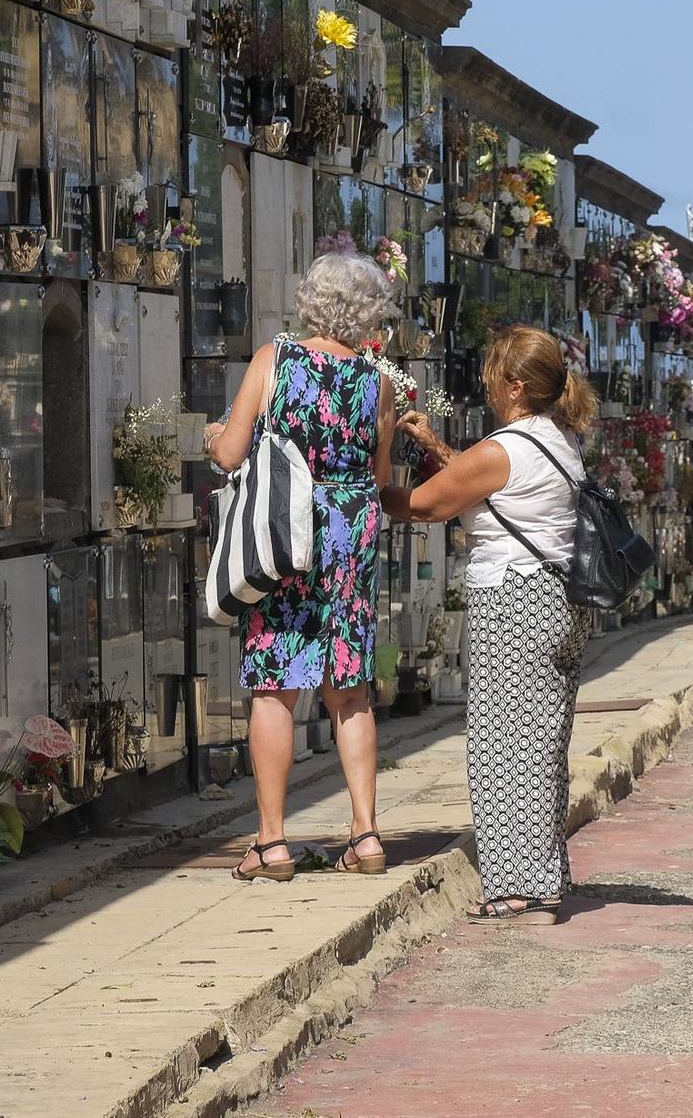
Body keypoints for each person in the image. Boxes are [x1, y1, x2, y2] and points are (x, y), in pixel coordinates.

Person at [386, 327, 597, 924]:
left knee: (503, 744)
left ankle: (514, 889)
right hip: (560, 600)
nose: (482, 378)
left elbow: (425, 505)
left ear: (514, 386)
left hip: (514, 601)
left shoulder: (503, 447)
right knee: (543, 741)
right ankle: (546, 877)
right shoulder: (556, 440)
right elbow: (490, 483)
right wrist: (435, 447)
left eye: (490, 369)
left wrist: (373, 481)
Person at [203, 251, 397, 882]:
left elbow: (232, 453)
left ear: (310, 299)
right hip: (350, 536)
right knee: (350, 687)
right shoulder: (379, 382)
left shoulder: (274, 360)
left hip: (285, 535)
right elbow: (379, 476)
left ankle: (270, 842)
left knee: (275, 685)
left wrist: (212, 437)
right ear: (368, 314)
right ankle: (366, 835)